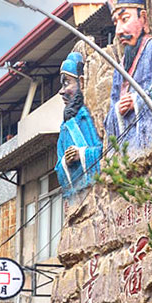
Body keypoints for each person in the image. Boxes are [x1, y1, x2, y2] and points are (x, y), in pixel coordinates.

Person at [104, 0, 152, 156]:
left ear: (143, 18)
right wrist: (118, 109)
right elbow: (110, 113)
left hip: (149, 145)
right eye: (116, 23)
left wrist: (135, 101)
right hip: (127, 148)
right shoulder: (120, 67)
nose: (118, 31)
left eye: (125, 19)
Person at [54, 50, 103, 198]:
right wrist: (66, 161)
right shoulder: (65, 127)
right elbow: (58, 167)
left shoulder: (89, 116)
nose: (62, 91)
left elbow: (107, 151)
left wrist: (81, 154)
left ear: (81, 82)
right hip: (78, 197)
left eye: (67, 83)